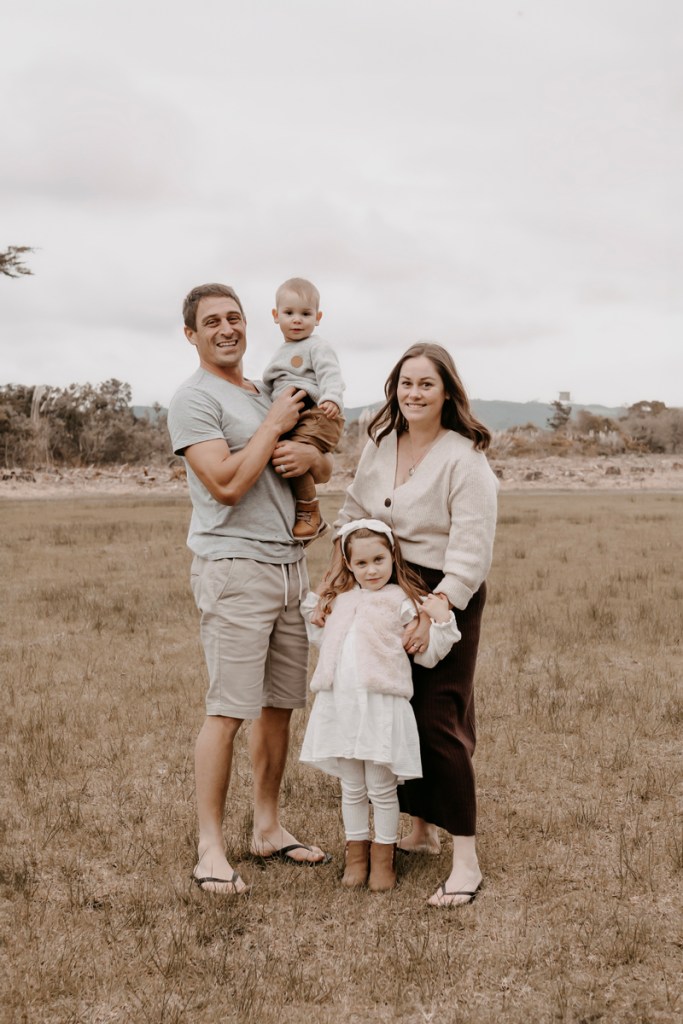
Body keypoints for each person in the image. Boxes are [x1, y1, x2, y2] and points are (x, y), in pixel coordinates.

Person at [314, 343, 498, 907]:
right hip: (382, 586)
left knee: (439, 716)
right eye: (405, 383)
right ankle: (419, 830)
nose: (413, 393)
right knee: (400, 711)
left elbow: (472, 548)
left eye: (426, 384)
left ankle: (465, 862)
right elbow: (352, 512)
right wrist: (343, 575)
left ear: (447, 393)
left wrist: (435, 605)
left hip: (443, 593)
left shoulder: (465, 459)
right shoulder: (381, 444)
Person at [167, 282, 334, 895]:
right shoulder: (194, 400)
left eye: (234, 318)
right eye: (212, 321)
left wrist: (307, 458)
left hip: (290, 568)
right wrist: (273, 426)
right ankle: (210, 847)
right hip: (235, 569)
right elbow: (226, 484)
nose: (227, 329)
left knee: (278, 706)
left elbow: (321, 466)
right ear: (192, 334)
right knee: (228, 710)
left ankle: (268, 827)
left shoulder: (265, 389)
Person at [300, 519, 461, 892]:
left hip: (380, 708)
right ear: (349, 564)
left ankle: (383, 859)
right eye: (361, 563)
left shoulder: (401, 602)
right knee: (352, 786)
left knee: (380, 787)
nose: (371, 570)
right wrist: (319, 601)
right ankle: (356, 857)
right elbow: (322, 638)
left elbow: (427, 653)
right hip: (342, 706)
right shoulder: (340, 602)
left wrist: (441, 623)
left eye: (378, 560)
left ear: (392, 557)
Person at [263, 277, 345, 540]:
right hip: (297, 415)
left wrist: (331, 398)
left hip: (317, 413)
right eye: (289, 313)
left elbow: (330, 374)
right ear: (276, 316)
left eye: (305, 314)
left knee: (288, 455)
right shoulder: (281, 352)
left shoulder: (316, 346)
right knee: (282, 455)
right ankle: (299, 511)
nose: (297, 320)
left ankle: (310, 512)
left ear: (317, 317)